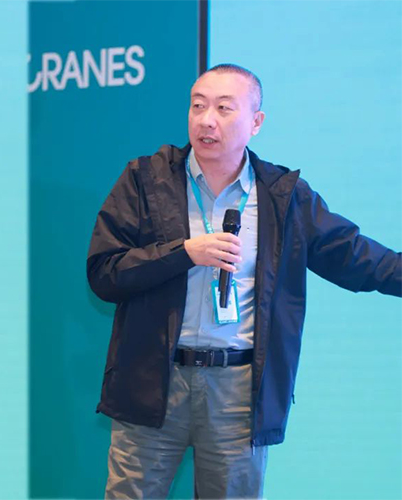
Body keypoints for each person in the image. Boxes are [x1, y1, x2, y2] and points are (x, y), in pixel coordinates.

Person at [86, 63, 401, 499]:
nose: (206, 120)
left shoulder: (282, 195)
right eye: (198, 106)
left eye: (223, 108)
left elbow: (353, 254)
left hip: (237, 390)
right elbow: (105, 272)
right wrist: (183, 253)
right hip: (153, 379)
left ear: (256, 122)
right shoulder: (145, 180)